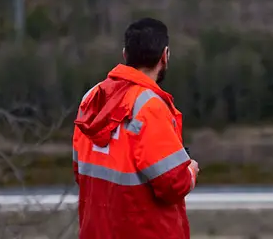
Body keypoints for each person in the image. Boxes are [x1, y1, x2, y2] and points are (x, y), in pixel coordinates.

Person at [73, 18, 200, 239]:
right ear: (165, 55)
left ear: (125, 54)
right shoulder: (149, 107)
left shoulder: (92, 98)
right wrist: (190, 171)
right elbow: (172, 184)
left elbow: (80, 170)